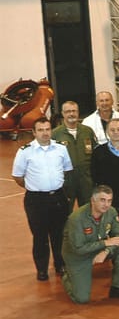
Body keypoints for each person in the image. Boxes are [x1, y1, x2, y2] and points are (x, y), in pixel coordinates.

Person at [12, 117, 73, 280]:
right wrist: (34, 186)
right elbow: (18, 177)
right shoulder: (25, 152)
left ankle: (60, 264)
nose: (45, 133)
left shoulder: (61, 149)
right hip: (36, 200)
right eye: (41, 130)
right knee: (40, 236)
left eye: (47, 129)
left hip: (58, 197)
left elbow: (66, 170)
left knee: (59, 234)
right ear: (34, 132)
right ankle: (42, 269)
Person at [60, 184, 119, 302]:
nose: (106, 204)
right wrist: (105, 243)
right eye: (102, 200)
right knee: (81, 299)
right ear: (92, 200)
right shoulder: (77, 219)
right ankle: (67, 276)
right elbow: (78, 248)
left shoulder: (111, 212)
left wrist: (106, 251)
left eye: (109, 200)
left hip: (99, 248)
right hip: (78, 256)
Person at [51, 99, 96, 209]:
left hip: (86, 180)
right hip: (66, 182)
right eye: (68, 111)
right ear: (62, 114)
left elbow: (95, 154)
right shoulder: (55, 134)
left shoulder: (87, 131)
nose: (71, 114)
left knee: (88, 211)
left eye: (74, 111)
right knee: (64, 211)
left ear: (78, 112)